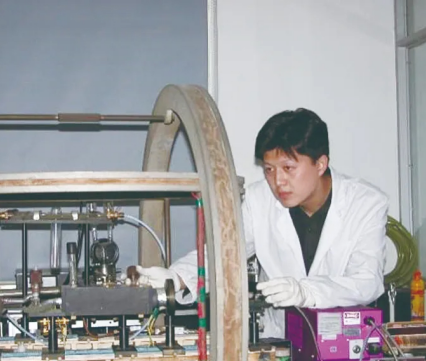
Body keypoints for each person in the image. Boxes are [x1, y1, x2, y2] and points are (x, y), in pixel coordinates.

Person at [136, 108, 388, 338]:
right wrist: (177, 277)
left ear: (320, 164)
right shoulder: (259, 199)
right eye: (269, 169)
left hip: (344, 338)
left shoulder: (366, 203)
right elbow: (224, 254)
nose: (278, 181)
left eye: (288, 168)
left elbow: (367, 280)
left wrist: (306, 291)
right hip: (280, 339)